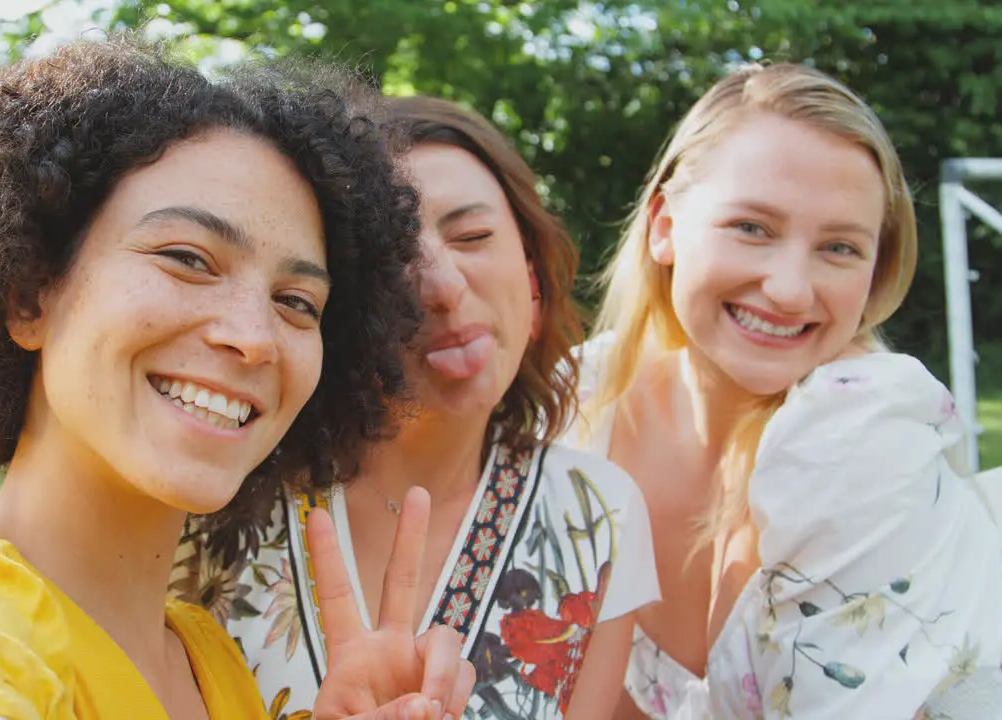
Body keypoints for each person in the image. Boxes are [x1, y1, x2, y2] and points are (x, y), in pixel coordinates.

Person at [0, 36, 475, 720]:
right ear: (29, 294)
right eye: (187, 258)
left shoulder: (203, 653)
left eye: (297, 303)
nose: (254, 337)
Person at [568, 62, 1002, 718]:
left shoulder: (860, 436)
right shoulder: (580, 405)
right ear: (664, 226)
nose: (791, 288)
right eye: (753, 228)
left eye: (840, 248)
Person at [171, 95, 660, 720]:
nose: (445, 288)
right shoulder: (216, 493)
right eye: (396, 257)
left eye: (474, 236)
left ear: (532, 278)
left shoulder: (598, 516)